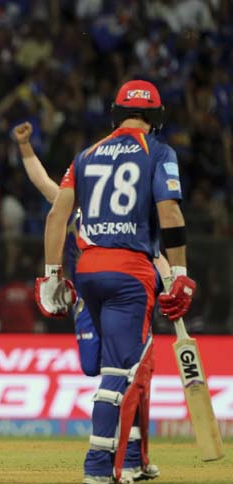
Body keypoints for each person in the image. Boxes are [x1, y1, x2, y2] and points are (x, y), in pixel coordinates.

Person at [35, 80, 196, 484]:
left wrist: (52, 276)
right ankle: (97, 466)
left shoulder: (86, 156)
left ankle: (136, 459)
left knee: (139, 362)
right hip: (131, 272)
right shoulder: (158, 152)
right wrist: (179, 275)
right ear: (156, 117)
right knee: (120, 369)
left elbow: (57, 217)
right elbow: (170, 214)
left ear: (115, 113)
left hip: (89, 270)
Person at [13, 121, 173, 377]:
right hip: (87, 295)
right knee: (90, 366)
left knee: (123, 357)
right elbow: (42, 181)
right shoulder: (74, 209)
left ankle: (139, 347)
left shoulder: (124, 219)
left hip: (124, 287)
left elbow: (155, 255)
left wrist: (170, 285)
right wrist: (24, 146)